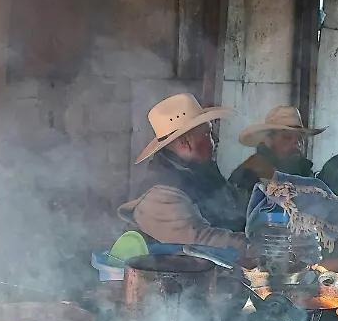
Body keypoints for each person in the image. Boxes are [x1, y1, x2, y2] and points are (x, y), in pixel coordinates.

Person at [119, 93, 249, 255]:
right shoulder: (161, 195)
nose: (215, 140)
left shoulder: (200, 171)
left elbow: (232, 200)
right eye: (207, 134)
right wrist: (253, 245)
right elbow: (200, 241)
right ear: (186, 142)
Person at [229, 106, 326, 205]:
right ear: (268, 141)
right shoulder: (247, 176)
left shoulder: (303, 172)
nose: (297, 145)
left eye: (299, 139)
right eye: (287, 138)